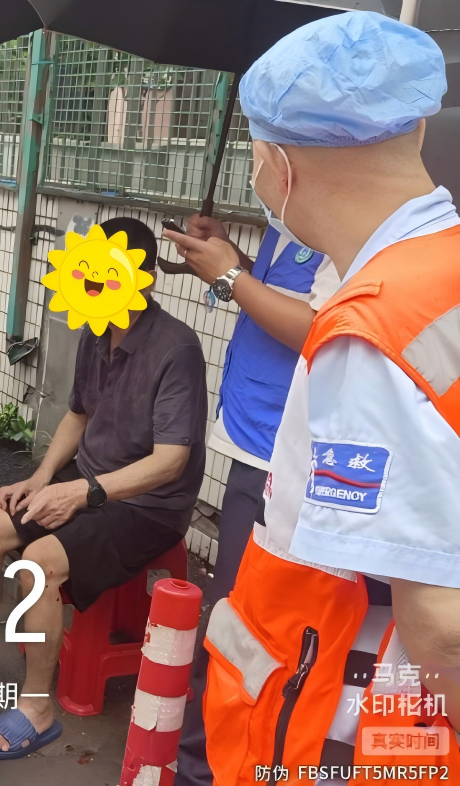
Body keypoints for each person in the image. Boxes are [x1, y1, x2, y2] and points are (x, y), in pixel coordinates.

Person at [177, 12, 460, 783]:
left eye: (255, 159)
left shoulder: (368, 331)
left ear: (279, 166)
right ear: (416, 125)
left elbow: (439, 625)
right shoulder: (440, 268)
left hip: (342, 728)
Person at [0, 217, 208, 759]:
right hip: (88, 485)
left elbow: (170, 462)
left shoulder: (175, 348)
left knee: (38, 563)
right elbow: (78, 415)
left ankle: (39, 708)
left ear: (144, 278)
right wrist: (41, 477)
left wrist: (82, 494)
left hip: (147, 505)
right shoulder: (96, 329)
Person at [160, 221, 340, 783]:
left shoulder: (344, 225)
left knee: (242, 629)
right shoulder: (290, 219)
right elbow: (282, 292)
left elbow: (323, 327)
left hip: (284, 458)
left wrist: (231, 277)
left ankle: (205, 768)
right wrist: (230, 257)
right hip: (254, 436)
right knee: (233, 621)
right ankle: (208, 760)